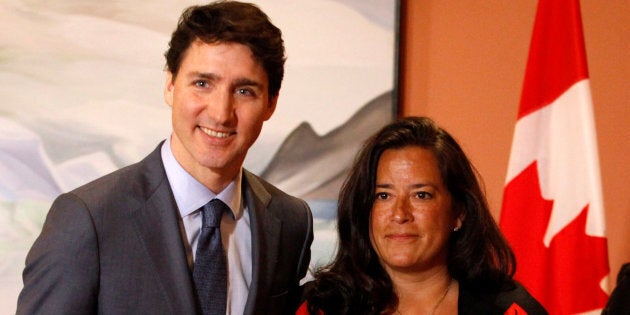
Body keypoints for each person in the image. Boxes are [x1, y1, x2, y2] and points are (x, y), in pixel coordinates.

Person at [17, 1, 313, 314]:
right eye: (202, 84)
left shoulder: (291, 222)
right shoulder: (87, 220)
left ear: (271, 103)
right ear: (170, 85)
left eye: (244, 91)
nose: (221, 113)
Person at [298, 116, 546, 315]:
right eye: (383, 196)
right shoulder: (321, 307)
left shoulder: (508, 309)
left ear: (458, 212)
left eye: (421, 195)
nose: (399, 214)